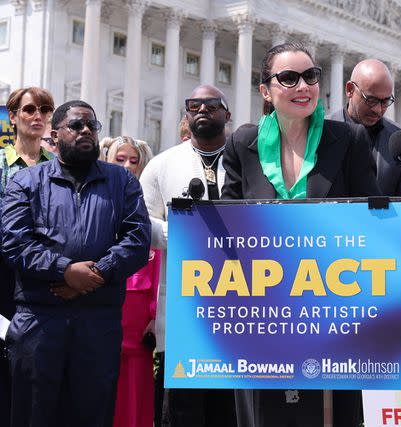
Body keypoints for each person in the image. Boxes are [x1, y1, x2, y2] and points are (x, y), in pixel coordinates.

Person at [222, 42, 401, 427]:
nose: (303, 86)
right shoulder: (242, 144)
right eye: (289, 78)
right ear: (266, 90)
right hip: (263, 316)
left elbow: (373, 212)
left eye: (310, 76)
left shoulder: (346, 140)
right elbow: (227, 227)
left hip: (333, 319)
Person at [1, 100, 151, 427]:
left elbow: (137, 239)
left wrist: (95, 274)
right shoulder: (25, 182)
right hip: (39, 322)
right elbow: (14, 242)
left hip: (97, 323)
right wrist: (65, 271)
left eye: (91, 126)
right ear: (54, 137)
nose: (86, 131)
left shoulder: (122, 182)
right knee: (32, 415)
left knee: (92, 415)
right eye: (76, 125)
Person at [139, 84, 237, 427]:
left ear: (228, 114)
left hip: (244, 315)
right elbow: (140, 224)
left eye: (212, 105)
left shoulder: (248, 162)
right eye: (193, 105)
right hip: (183, 316)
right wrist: (181, 234)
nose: (202, 111)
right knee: (182, 414)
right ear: (185, 115)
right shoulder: (161, 165)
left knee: (230, 414)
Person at [0, 87, 55, 426]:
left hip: (46, 277)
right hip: (4, 276)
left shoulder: (59, 166)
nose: (38, 116)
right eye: (30, 109)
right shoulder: (1, 164)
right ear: (14, 116)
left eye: (45, 110)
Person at [101, 136, 159, 427]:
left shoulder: (148, 210)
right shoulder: (93, 206)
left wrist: (155, 315)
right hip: (102, 317)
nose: (127, 166)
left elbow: (159, 263)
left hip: (139, 325)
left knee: (136, 399)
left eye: (133, 161)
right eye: (120, 159)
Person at [329, 59, 401, 197]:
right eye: (371, 100)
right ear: (350, 90)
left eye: (385, 102)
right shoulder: (318, 132)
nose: (378, 110)